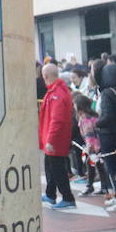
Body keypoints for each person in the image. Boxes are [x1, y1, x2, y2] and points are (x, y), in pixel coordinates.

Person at [38, 63, 76, 209]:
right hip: (53, 139)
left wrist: (50, 140)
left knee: (57, 169)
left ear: (46, 76)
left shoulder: (56, 94)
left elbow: (57, 120)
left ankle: (67, 197)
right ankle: (50, 194)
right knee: (50, 167)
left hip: (55, 141)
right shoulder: (56, 91)